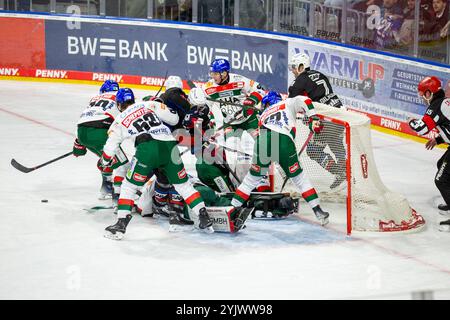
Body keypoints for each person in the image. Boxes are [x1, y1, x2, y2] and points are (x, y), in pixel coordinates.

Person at [101, 88, 214, 239]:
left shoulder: (119, 119)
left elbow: (110, 148)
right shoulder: (148, 104)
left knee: (129, 186)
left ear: (119, 104)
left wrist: (105, 161)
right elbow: (174, 120)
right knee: (183, 185)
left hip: (147, 148)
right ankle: (203, 215)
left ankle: (121, 224)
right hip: (169, 145)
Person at [229, 91, 330, 226]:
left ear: (266, 104)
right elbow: (304, 99)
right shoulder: (286, 103)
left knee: (250, 180)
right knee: (300, 179)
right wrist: (313, 118)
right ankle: (318, 211)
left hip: (263, 141)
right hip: (283, 140)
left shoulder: (263, 115)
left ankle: (231, 210)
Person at [203, 58, 269, 190]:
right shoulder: (209, 87)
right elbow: (207, 108)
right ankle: (238, 186)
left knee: (260, 148)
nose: (213, 76)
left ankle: (262, 180)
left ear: (224, 73)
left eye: (216, 73)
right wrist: (210, 124)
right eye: (212, 73)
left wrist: (251, 101)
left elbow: (261, 89)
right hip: (230, 124)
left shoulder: (239, 80)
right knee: (233, 156)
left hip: (249, 119)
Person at [288, 52, 346, 189]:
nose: (293, 71)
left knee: (313, 150)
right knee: (335, 142)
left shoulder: (299, 81)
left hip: (326, 120)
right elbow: (319, 97)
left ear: (301, 66)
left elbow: (290, 104)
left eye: (295, 67)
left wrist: (307, 116)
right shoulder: (320, 75)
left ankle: (340, 172)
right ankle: (347, 174)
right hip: (339, 114)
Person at [73, 80, 129, 201]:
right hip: (99, 132)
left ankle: (106, 187)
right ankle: (119, 198)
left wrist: (78, 144)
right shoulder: (119, 97)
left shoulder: (94, 99)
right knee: (122, 163)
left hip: (82, 132)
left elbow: (86, 118)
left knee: (107, 158)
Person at [408, 76, 450, 232]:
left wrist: (410, 121)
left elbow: (421, 128)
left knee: (441, 180)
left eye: (423, 94)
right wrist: (438, 140)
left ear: (429, 92)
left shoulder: (436, 106)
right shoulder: (444, 102)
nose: (423, 98)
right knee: (442, 166)